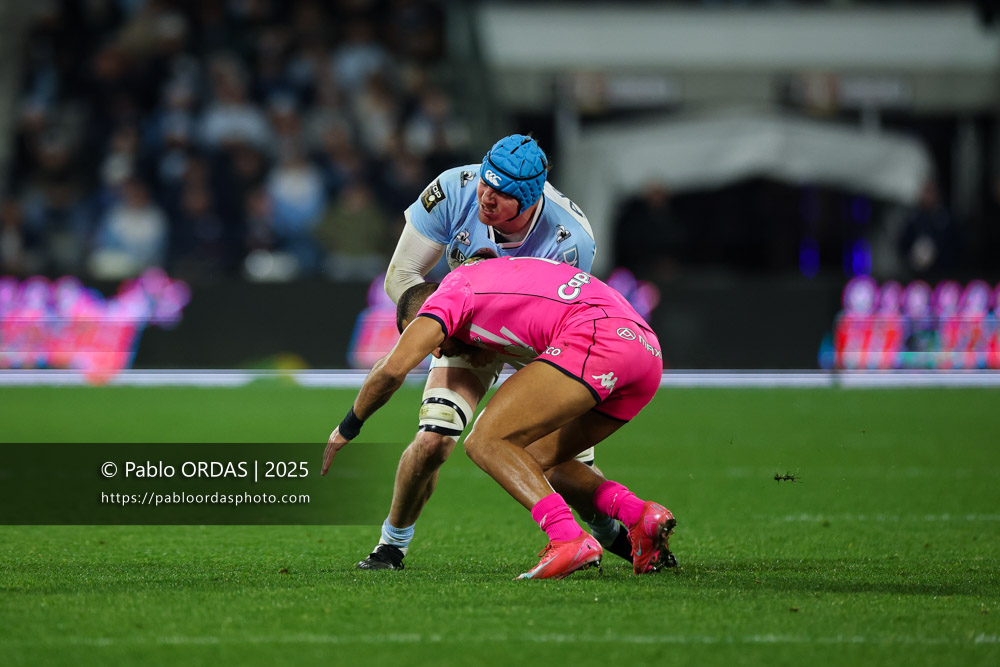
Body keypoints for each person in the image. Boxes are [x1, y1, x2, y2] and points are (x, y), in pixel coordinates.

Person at [353, 133, 638, 571]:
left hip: (536, 341)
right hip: (462, 326)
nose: (486, 196)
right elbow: (402, 276)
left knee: (560, 459)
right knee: (433, 438)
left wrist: (495, 341)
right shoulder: (454, 187)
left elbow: (563, 322)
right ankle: (391, 544)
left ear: (529, 200)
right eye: (486, 182)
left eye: (502, 194)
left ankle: (608, 531)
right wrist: (458, 334)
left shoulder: (570, 238)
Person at [322, 256, 677, 579]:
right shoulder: (498, 278)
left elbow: (391, 369)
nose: (437, 351)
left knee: (485, 442)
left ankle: (567, 537)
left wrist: (347, 426)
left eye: (427, 338)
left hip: (596, 337)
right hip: (645, 352)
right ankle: (639, 515)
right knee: (536, 459)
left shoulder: (449, 293)